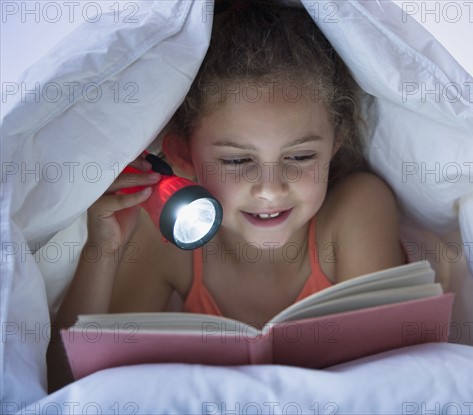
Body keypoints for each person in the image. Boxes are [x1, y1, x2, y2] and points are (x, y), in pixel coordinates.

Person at [49, 0, 405, 388]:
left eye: (300, 156)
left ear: (335, 144)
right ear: (184, 155)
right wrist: (102, 251)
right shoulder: (170, 240)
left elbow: (387, 386)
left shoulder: (356, 210)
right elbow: (68, 388)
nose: (270, 188)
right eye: (237, 161)